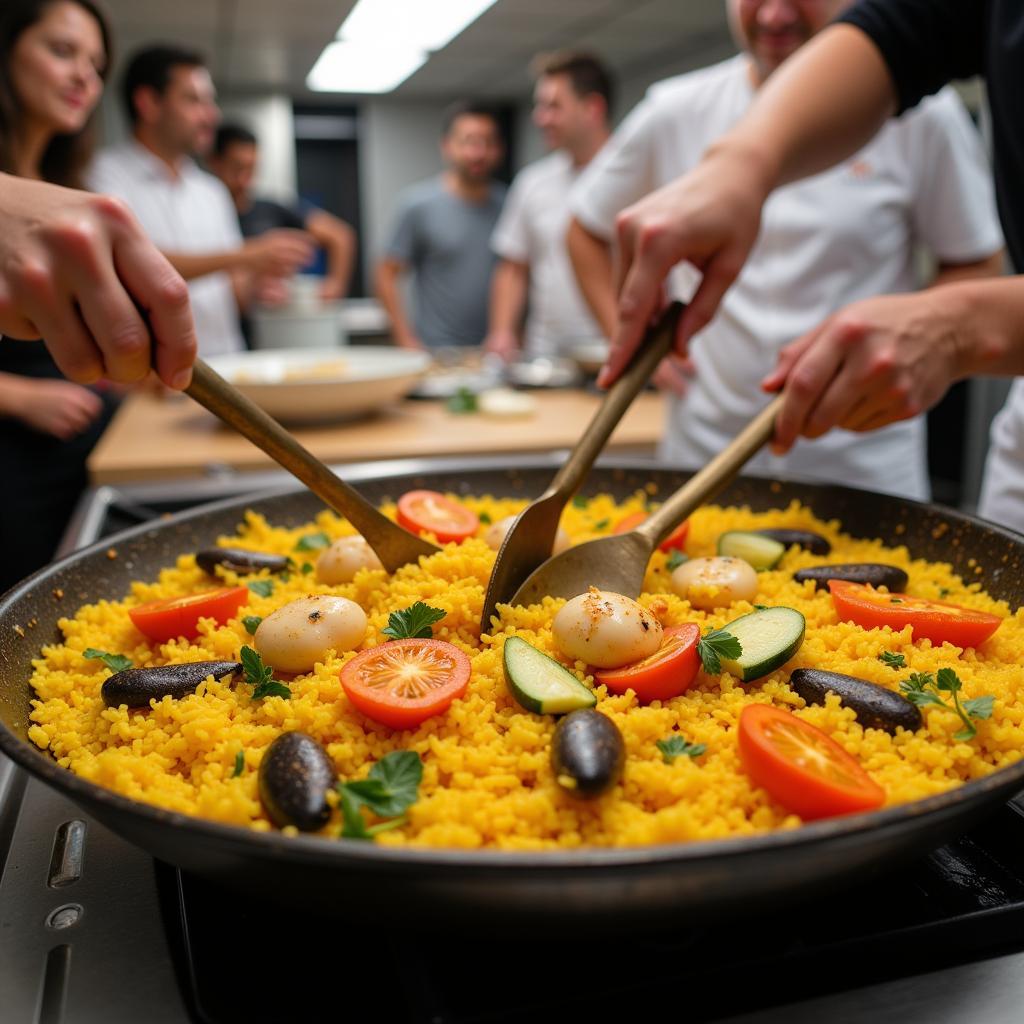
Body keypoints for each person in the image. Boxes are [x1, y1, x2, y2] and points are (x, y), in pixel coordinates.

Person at [603, 2, 1024, 529]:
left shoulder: (929, 120)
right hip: (703, 439)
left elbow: (974, 259)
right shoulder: (676, 106)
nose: (776, 12)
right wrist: (740, 166)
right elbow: (902, 33)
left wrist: (952, 328)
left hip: (859, 458)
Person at [0, 0, 191, 592]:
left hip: (75, 447)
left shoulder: (62, 184)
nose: (86, 74)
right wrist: (17, 393)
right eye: (62, 51)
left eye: (95, 62)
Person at [87, 46, 313, 356]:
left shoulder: (211, 191)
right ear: (149, 103)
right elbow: (134, 268)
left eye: (209, 102)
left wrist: (258, 283)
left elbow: (229, 289)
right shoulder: (102, 177)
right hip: (151, 380)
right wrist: (247, 255)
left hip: (226, 366)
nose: (212, 115)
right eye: (194, 100)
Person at [484, 52, 612, 361]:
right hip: (547, 357)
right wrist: (502, 331)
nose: (540, 118)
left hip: (615, 353)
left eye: (553, 106)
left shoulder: (639, 175)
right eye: (539, 106)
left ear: (592, 108)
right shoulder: (533, 182)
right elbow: (514, 266)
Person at [376, 101, 506, 351]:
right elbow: (385, 273)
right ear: (447, 146)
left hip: (496, 355)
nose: (478, 152)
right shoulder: (418, 205)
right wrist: (405, 339)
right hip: (438, 353)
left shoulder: (510, 206)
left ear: (499, 149)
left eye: (487, 142)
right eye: (469, 141)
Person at [208, 122, 357, 305]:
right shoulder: (204, 217)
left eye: (251, 168)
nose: (244, 180)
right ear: (215, 162)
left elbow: (340, 235)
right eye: (237, 168)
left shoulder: (271, 209)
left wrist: (334, 285)